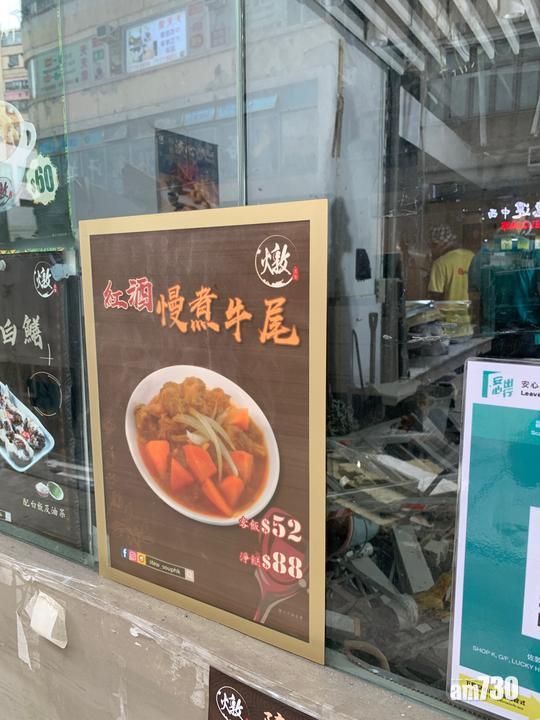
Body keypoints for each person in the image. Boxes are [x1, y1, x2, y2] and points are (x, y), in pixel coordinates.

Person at [428, 224, 474, 301]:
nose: (431, 251)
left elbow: (435, 297)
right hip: (471, 309)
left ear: (438, 244)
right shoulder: (472, 256)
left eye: (431, 246)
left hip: (448, 309)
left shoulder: (439, 263)